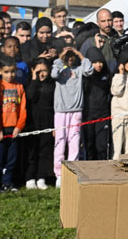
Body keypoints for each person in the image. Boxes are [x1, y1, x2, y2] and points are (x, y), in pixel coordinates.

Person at [51, 46, 93, 186]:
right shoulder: (60, 69)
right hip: (61, 111)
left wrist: (80, 54)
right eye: (67, 56)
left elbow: (89, 70)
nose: (70, 59)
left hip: (76, 111)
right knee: (60, 142)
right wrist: (60, 56)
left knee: (74, 142)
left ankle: (72, 172)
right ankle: (59, 174)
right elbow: (53, 74)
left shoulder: (79, 70)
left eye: (72, 56)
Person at [0, 59, 27, 193]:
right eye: (6, 72)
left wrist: (19, 126)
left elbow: (23, 109)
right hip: (0, 130)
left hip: (14, 129)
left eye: (12, 72)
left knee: (11, 159)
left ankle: (7, 182)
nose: (10, 75)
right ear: (0, 72)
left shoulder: (19, 87)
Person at [25, 60, 55, 190]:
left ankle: (41, 177)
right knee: (32, 151)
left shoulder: (52, 84)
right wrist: (34, 79)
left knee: (44, 151)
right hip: (32, 122)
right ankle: (30, 177)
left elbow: (54, 104)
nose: (42, 74)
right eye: (38, 71)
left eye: (44, 71)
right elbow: (30, 96)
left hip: (47, 120)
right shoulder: (30, 83)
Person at [82, 47, 112, 161]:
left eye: (100, 62)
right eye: (94, 62)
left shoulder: (106, 75)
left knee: (101, 146)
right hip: (88, 114)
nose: (98, 65)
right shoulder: (85, 77)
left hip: (102, 115)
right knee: (89, 145)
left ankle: (101, 170)